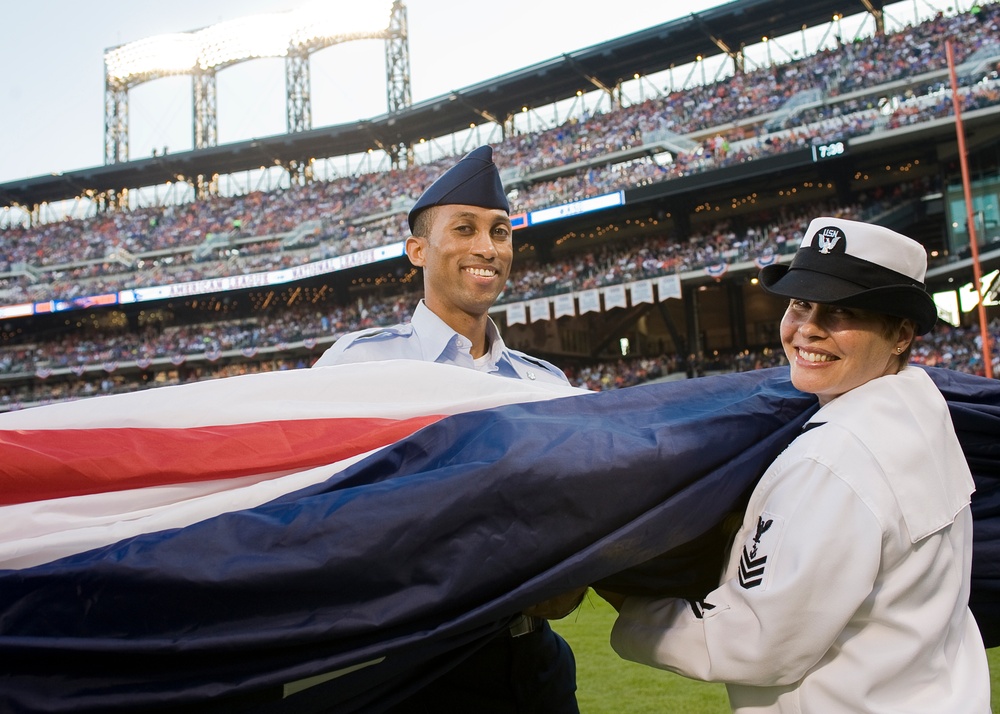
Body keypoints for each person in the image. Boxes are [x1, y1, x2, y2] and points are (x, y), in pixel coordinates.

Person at [601, 217, 991, 712]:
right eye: (801, 304)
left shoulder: (833, 460)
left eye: (842, 311)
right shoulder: (923, 412)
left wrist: (623, 597)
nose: (808, 328)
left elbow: (757, 642)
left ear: (901, 334)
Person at [313, 145, 581, 712]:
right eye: (465, 229)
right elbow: (309, 514)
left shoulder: (549, 384)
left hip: (536, 664)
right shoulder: (357, 368)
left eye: (500, 231)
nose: (488, 248)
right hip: (417, 668)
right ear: (417, 250)